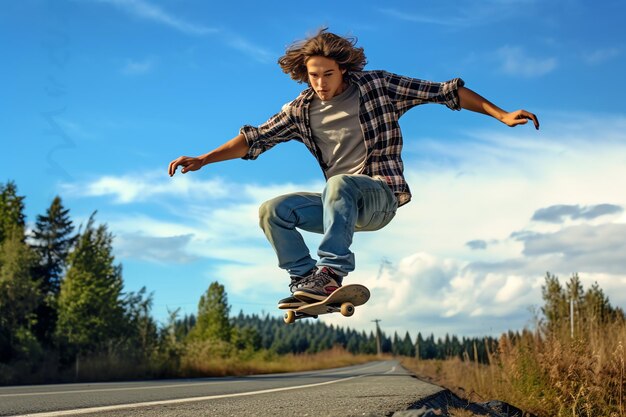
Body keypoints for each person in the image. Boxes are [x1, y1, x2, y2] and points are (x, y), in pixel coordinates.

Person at [168, 28, 539, 310]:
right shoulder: (299, 110)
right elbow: (254, 139)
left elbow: (446, 92)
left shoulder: (378, 86)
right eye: (313, 76)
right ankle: (305, 279)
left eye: (327, 74)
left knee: (340, 183)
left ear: (342, 69)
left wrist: (501, 114)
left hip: (380, 197)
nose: (320, 83)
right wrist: (204, 158)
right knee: (273, 210)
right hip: (339, 208)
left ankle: (331, 272)